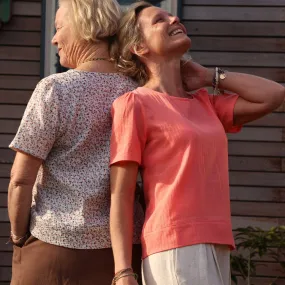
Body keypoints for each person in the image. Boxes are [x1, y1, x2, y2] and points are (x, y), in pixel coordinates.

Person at [109, 2, 285, 285]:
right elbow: (121, 194)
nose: (174, 18)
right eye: (159, 20)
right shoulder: (134, 104)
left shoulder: (206, 103)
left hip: (217, 239)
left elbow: (274, 95)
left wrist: (208, 76)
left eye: (171, 14)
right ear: (139, 47)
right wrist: (122, 271)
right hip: (173, 243)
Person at [7, 0, 144, 284]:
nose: (55, 38)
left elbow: (20, 180)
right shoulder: (139, 92)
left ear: (84, 27)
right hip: (121, 257)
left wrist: (20, 237)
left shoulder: (55, 90)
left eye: (59, 28)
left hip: (52, 249)